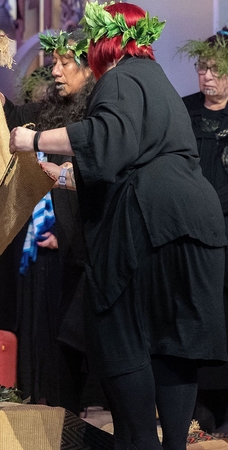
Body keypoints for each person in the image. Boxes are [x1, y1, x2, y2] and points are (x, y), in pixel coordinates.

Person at [10, 3, 228, 449]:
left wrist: (31, 140)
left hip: (148, 224)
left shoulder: (122, 77)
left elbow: (102, 136)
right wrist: (63, 176)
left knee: (121, 337)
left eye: (90, 40)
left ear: (107, 42)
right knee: (173, 342)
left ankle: (140, 442)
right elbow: (127, 156)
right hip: (195, 224)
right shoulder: (158, 80)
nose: (86, 49)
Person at [0, 29, 94, 414]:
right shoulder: (48, 108)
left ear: (89, 68)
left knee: (72, 346)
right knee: (36, 337)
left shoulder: (101, 111)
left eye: (64, 62)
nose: (54, 70)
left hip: (80, 249)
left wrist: (65, 228)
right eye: (53, 62)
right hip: (35, 247)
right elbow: (12, 119)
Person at [180, 28, 228, 438]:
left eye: (216, 70)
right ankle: (198, 409)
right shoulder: (184, 111)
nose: (207, 77)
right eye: (202, 68)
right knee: (197, 315)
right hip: (194, 233)